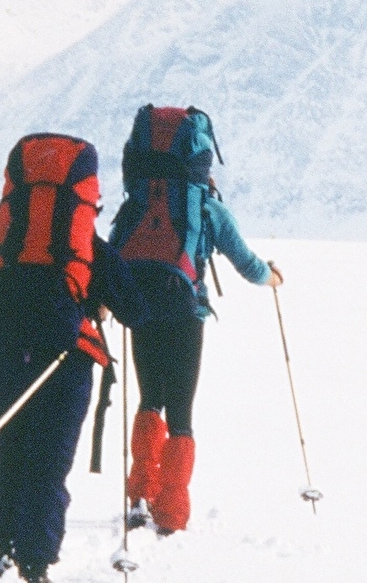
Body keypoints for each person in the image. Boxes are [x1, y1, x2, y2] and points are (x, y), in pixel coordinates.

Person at [0, 133, 143, 583]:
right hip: (67, 358)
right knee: (49, 463)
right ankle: (36, 564)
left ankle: (0, 547)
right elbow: (137, 311)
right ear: (87, 198)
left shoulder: (12, 247)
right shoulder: (88, 250)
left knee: (9, 450)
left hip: (4, 351)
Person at [109, 105, 282, 534]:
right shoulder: (206, 210)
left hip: (141, 310)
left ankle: (139, 495)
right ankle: (170, 512)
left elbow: (112, 257)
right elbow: (247, 264)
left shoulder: (136, 204)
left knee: (150, 398)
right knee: (181, 411)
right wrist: (272, 277)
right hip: (185, 312)